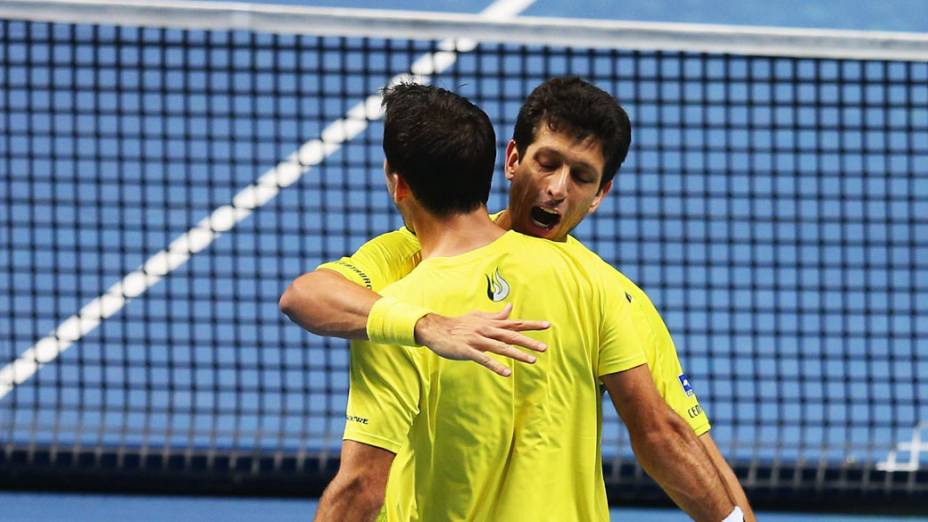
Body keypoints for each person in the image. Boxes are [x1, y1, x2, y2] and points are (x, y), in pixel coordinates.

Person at [280, 76, 754, 520]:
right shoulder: (409, 258)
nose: (555, 189)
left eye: (581, 177)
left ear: (600, 194)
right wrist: (424, 323)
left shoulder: (607, 291)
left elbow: (676, 437)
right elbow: (306, 295)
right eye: (547, 164)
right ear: (512, 160)